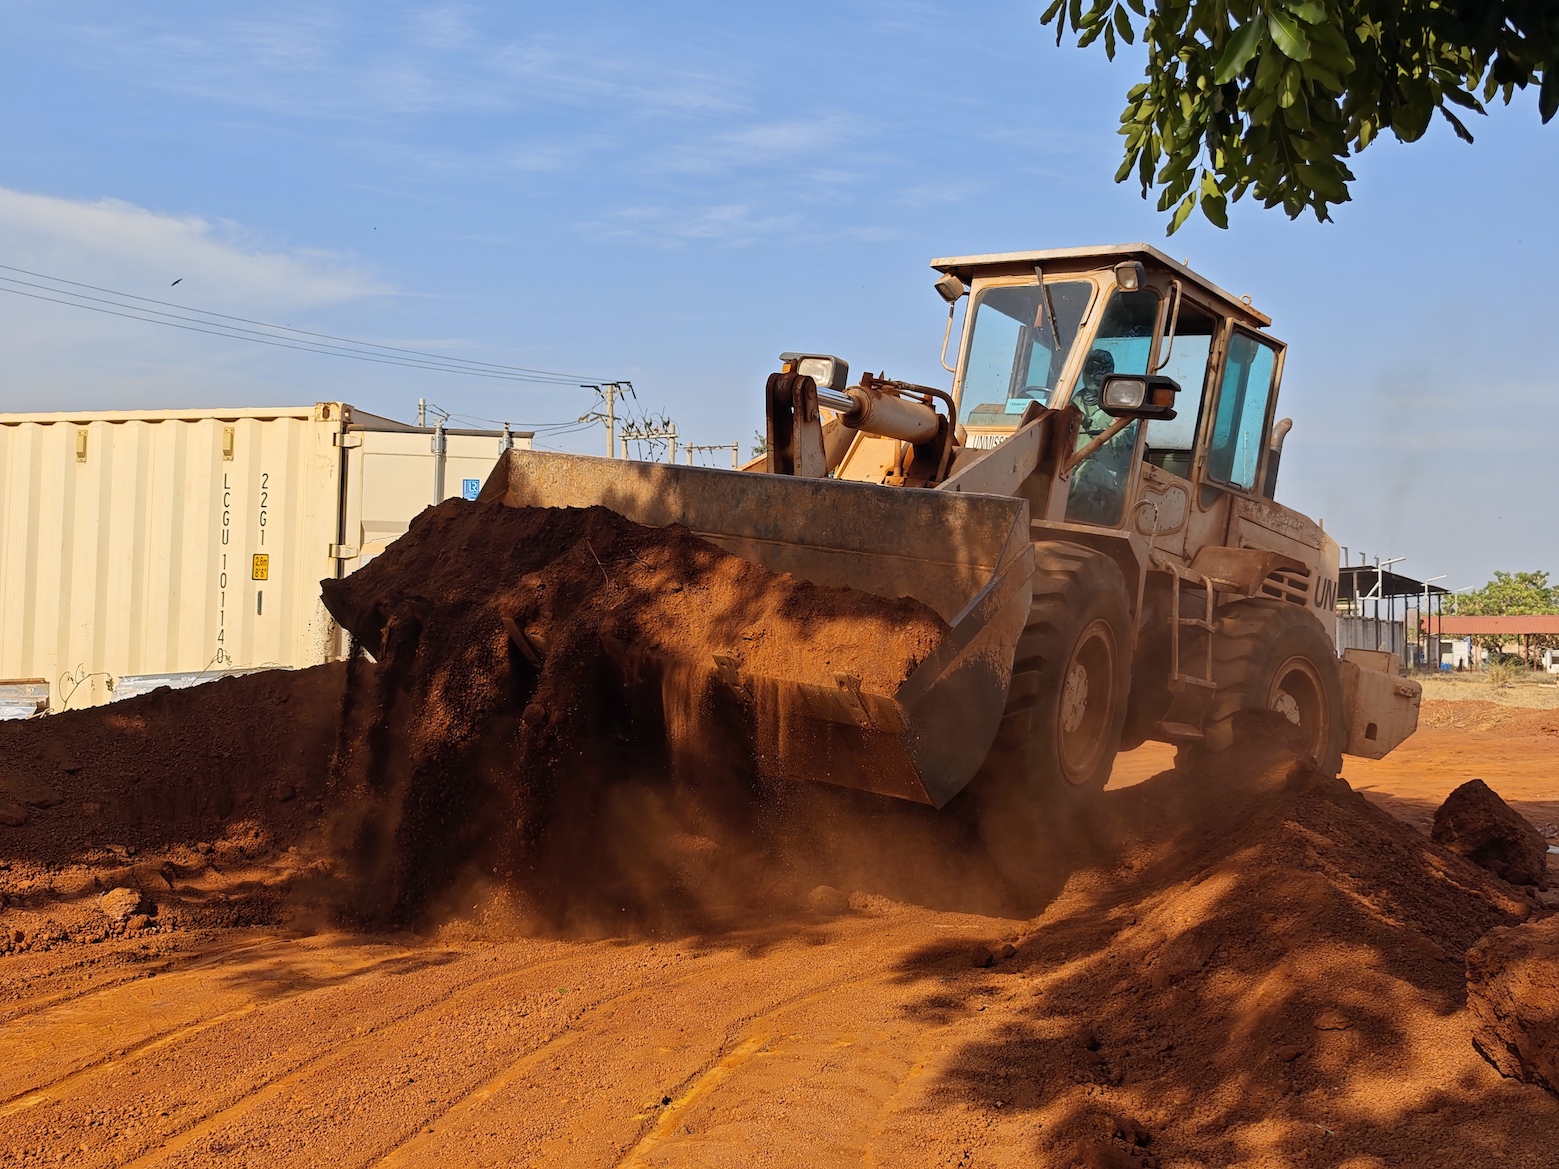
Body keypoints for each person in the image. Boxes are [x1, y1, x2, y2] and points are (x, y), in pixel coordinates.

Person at [1065, 348, 1137, 524]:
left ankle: (1066, 529)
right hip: (1067, 470)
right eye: (1091, 369)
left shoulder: (1120, 405)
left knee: (1088, 471)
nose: (1095, 375)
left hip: (1109, 482)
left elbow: (1118, 451)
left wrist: (1091, 426)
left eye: (1101, 371)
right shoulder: (1070, 401)